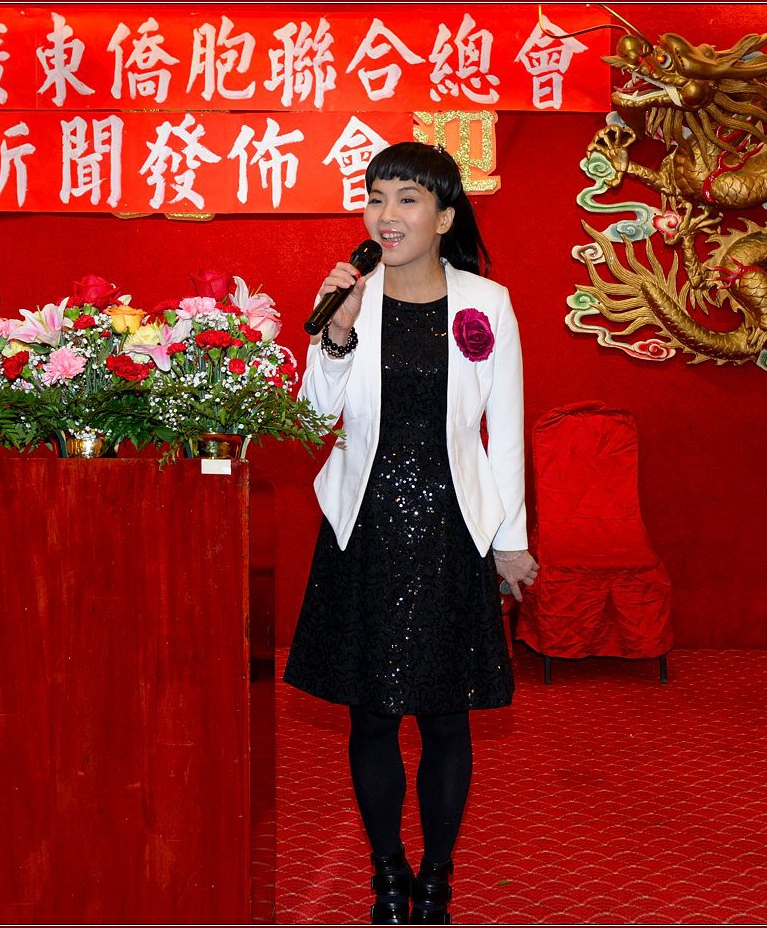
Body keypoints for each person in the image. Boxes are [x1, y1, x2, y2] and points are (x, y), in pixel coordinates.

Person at [283, 141, 538, 925]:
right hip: (365, 527)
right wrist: (335, 336)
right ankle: (387, 871)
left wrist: (511, 539)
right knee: (371, 714)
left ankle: (437, 876)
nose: (386, 215)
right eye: (376, 198)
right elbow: (308, 421)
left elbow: (505, 431)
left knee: (446, 714)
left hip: (452, 530)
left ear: (444, 217)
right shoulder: (349, 298)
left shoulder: (486, 303)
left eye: (406, 199)